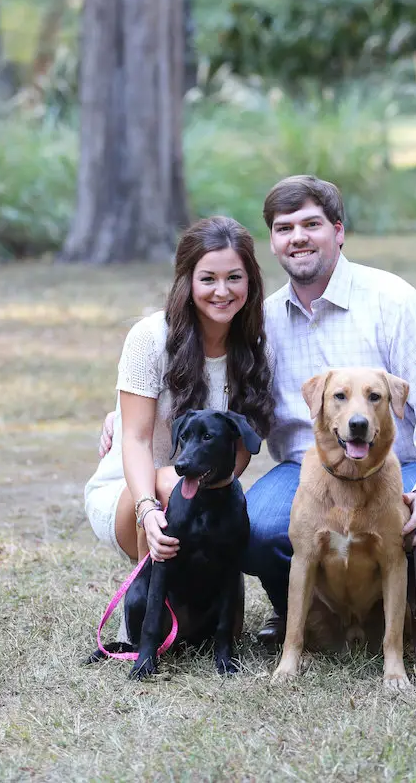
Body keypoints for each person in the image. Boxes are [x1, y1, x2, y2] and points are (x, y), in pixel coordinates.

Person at [242, 175, 416, 645]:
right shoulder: (264, 320)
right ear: (271, 242)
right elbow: (227, 401)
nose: (298, 237)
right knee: (251, 527)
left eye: (311, 224)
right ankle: (295, 605)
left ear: (338, 230)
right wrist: (134, 422)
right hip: (306, 471)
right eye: (283, 227)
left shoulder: (393, 301)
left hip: (398, 467)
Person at [84, 216, 274, 569]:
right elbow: (137, 441)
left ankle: (213, 614)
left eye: (234, 277)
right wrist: (146, 508)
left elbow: (241, 445)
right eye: (208, 279)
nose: (222, 291)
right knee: (167, 483)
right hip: (133, 492)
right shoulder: (151, 338)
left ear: (250, 280)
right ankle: (145, 615)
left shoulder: (258, 348)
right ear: (187, 281)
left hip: (203, 488)